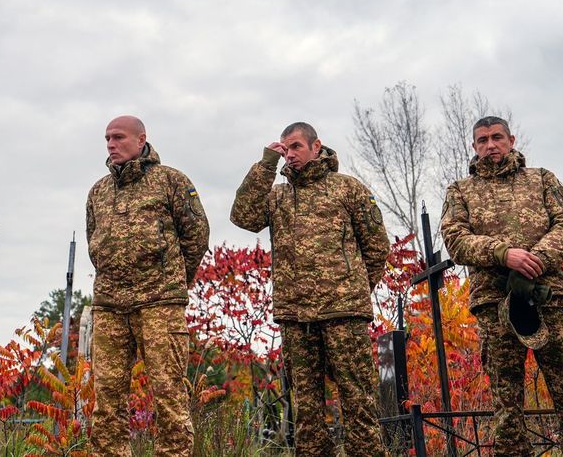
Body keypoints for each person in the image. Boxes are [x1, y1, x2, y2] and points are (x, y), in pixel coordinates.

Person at [441, 116, 563, 457]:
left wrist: (536, 260)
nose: (491, 145)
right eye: (483, 140)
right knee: (506, 403)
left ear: (511, 139)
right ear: (474, 146)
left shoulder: (542, 179)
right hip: (495, 304)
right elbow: (455, 240)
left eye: (497, 137)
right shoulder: (461, 191)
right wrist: (504, 254)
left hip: (549, 299)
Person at [230, 121, 389, 457]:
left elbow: (376, 247)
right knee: (306, 408)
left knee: (358, 399)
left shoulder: (348, 189)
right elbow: (243, 216)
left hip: (344, 312)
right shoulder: (278, 196)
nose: (290, 155)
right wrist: (265, 164)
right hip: (295, 315)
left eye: (296, 147)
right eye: (285, 149)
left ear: (316, 147)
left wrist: (355, 290)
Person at [86, 115, 209, 457]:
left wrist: (174, 282)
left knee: (169, 396)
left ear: (141, 140)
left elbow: (196, 236)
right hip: (110, 306)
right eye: (107, 138)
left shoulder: (171, 181)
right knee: (107, 401)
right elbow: (94, 242)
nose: (111, 144)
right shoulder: (98, 191)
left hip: (159, 305)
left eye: (118, 137)